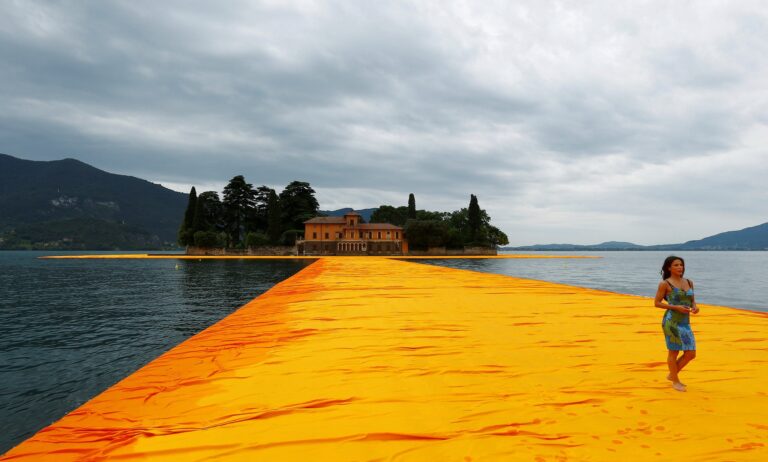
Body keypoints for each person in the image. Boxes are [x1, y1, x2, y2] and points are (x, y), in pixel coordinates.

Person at [654, 256, 699, 391]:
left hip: (685, 322)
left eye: (681, 265)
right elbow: (657, 303)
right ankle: (675, 381)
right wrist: (676, 307)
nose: (680, 267)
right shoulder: (665, 284)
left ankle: (672, 375)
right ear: (669, 268)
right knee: (673, 352)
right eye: (676, 265)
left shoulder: (689, 282)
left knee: (691, 353)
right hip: (671, 322)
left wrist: (695, 307)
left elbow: (692, 300)